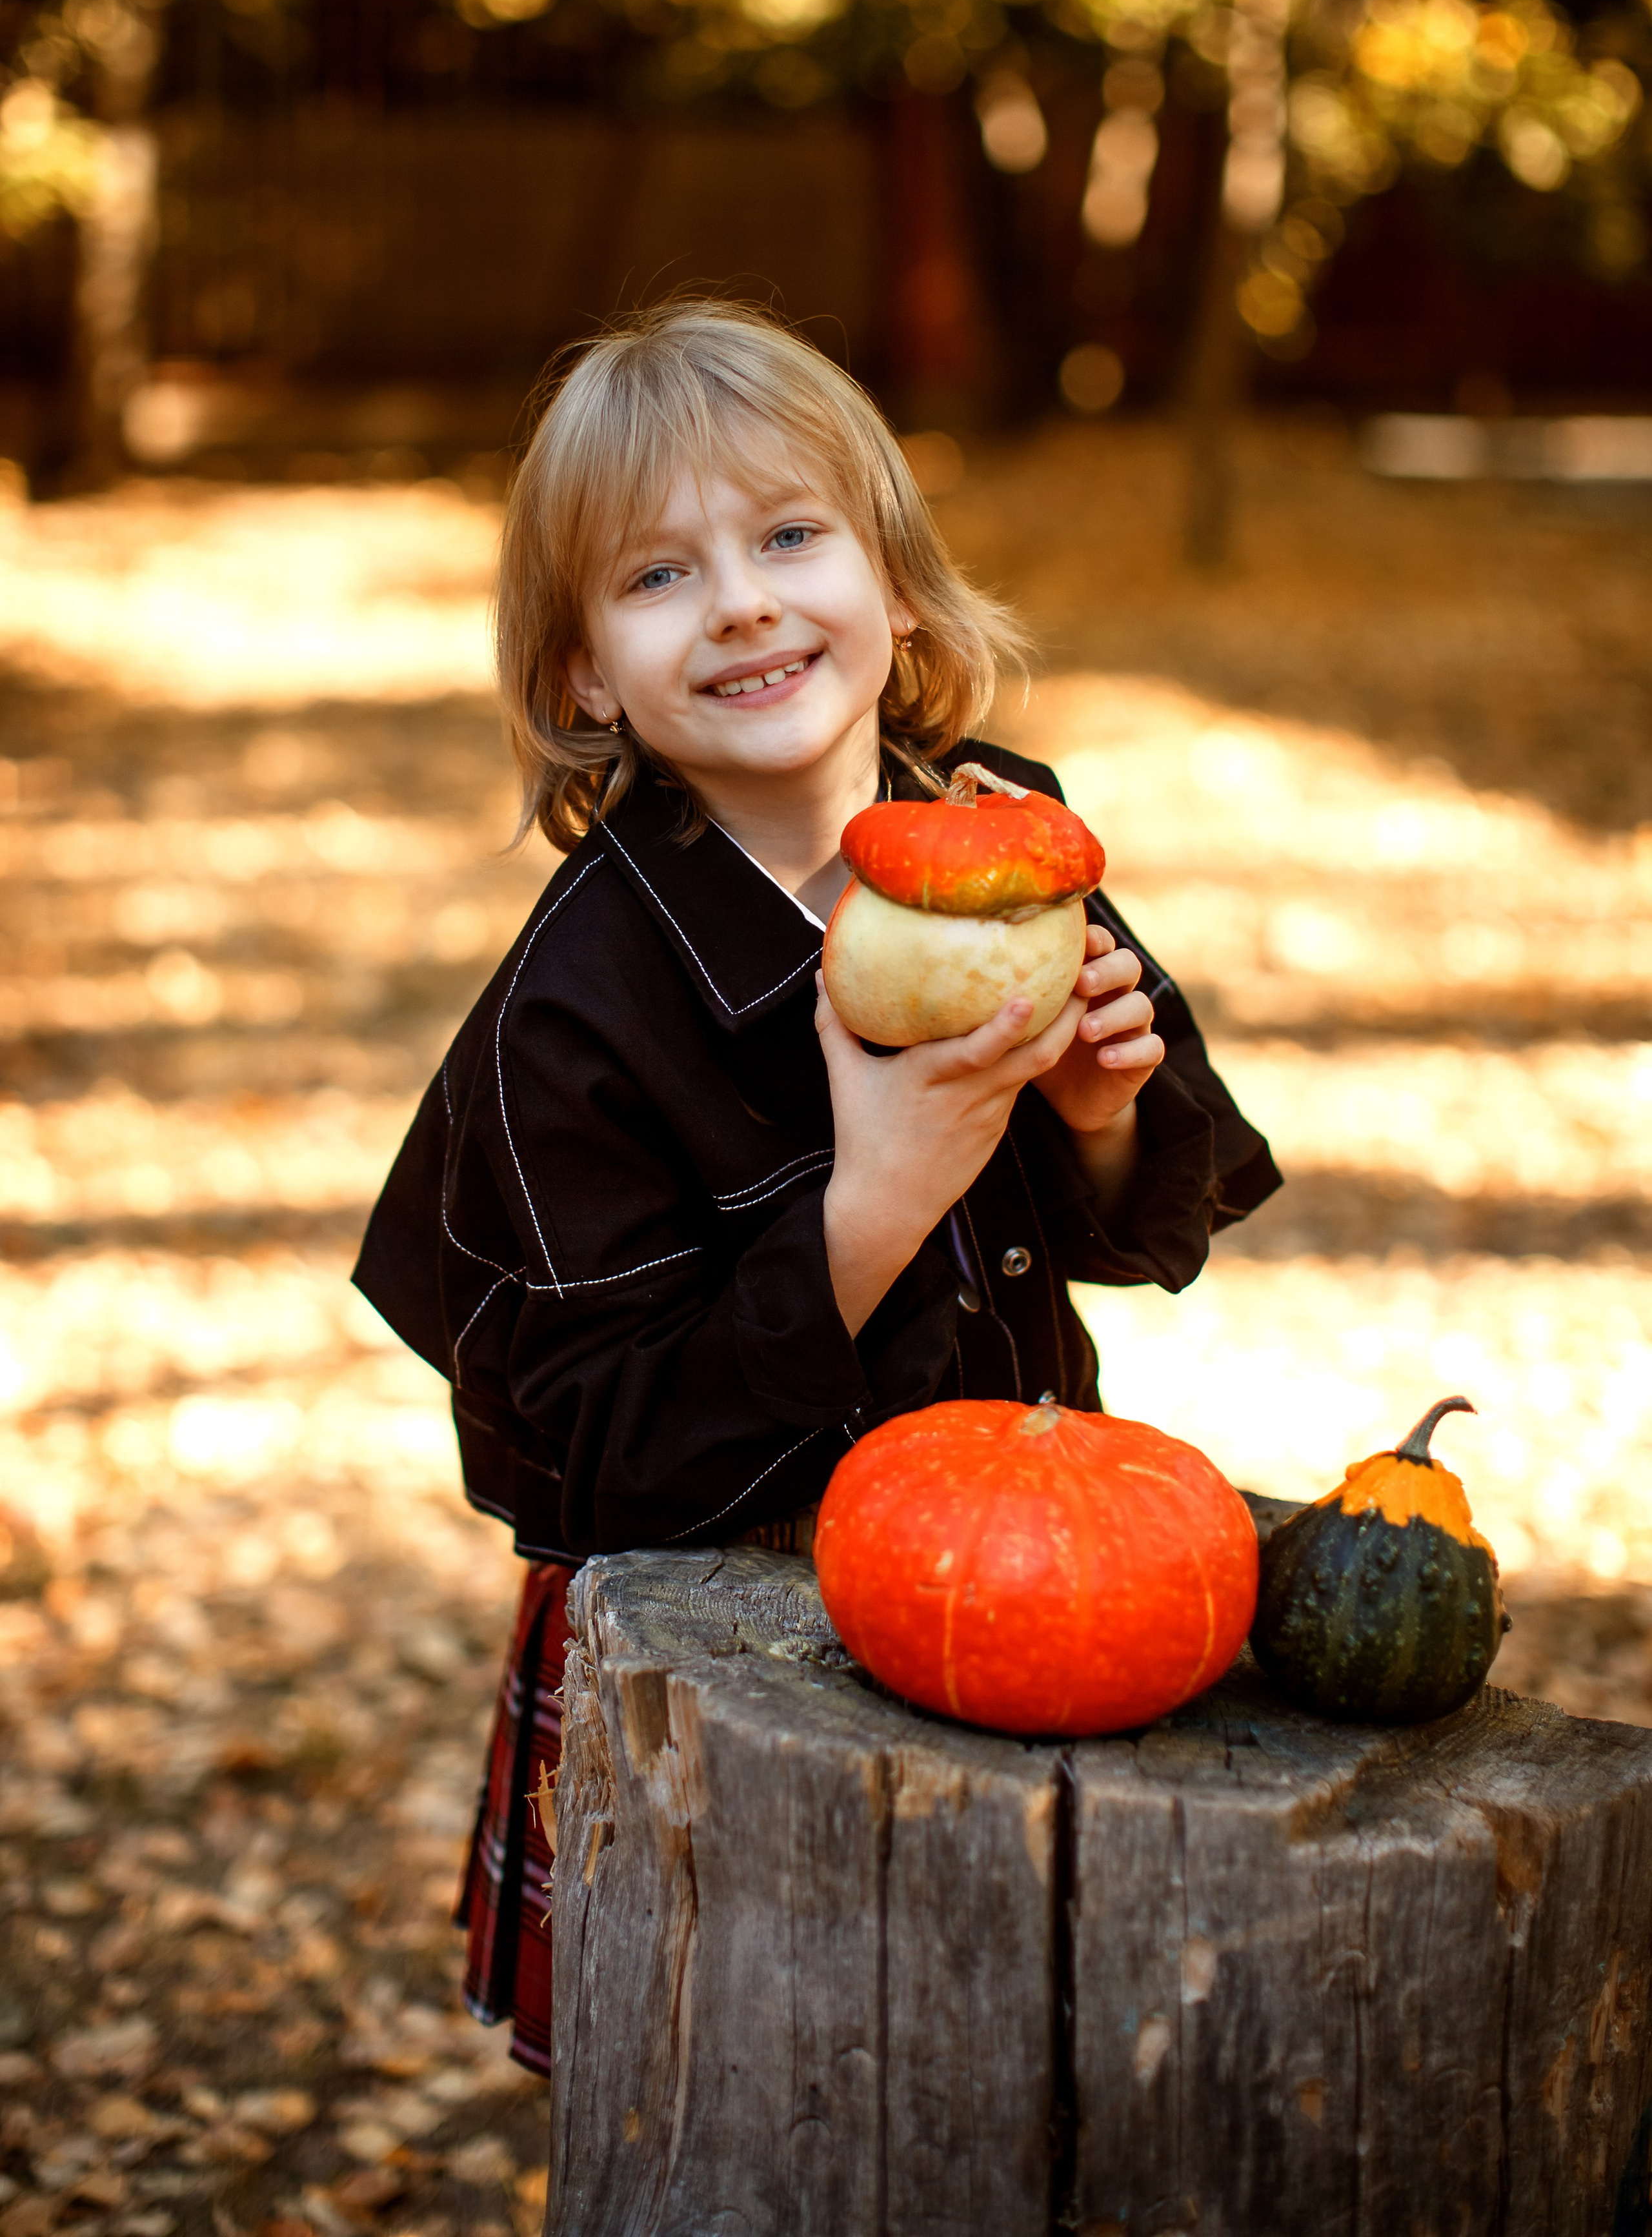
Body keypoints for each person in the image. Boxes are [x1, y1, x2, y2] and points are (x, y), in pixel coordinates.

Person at [352, 298, 1280, 2079]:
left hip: (1020, 1545)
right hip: (721, 1642)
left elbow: (1147, 1229)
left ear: (898, 589)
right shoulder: (575, 1011)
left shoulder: (1008, 843)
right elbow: (600, 1458)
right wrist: (871, 1205)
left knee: (1012, 2070)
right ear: (583, 681)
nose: (748, 601)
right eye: (661, 574)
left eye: (792, 537)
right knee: (769, 2088)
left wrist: (1093, 1115)